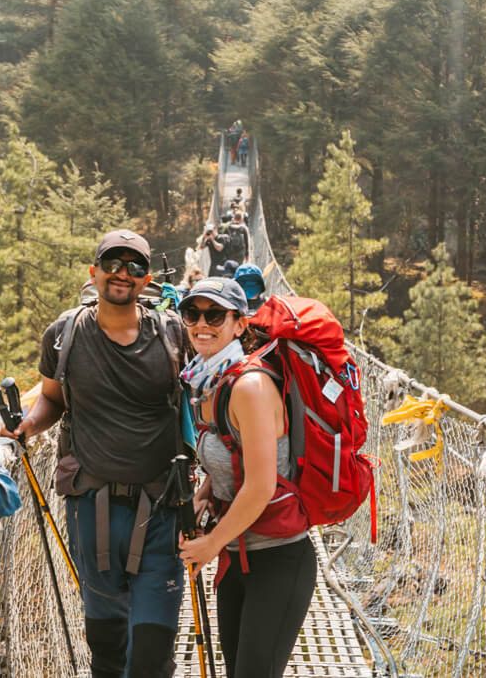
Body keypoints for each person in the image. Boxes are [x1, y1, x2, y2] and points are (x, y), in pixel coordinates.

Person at [5, 229, 187, 678]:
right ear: (94, 272)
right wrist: (30, 423)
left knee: (151, 654)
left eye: (135, 267)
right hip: (92, 509)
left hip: (162, 508)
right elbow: (52, 398)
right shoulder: (64, 335)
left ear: (147, 281)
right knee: (106, 650)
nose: (122, 274)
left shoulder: (172, 334)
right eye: (113, 263)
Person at [176, 278, 317, 678]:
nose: (202, 323)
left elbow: (260, 486)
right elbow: (230, 458)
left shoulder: (249, 386)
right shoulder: (205, 382)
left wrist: (209, 545)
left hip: (278, 557)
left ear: (240, 324)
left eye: (215, 315)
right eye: (193, 313)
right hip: (237, 557)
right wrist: (205, 494)